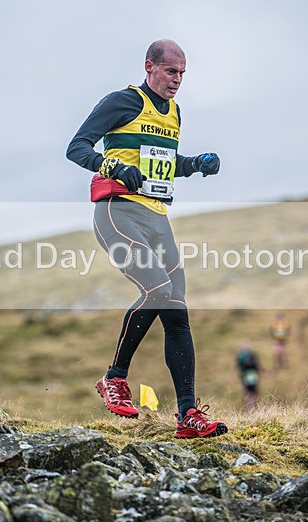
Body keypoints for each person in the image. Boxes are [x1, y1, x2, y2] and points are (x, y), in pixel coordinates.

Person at [66, 39, 227, 439]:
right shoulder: (122, 102)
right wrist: (111, 165)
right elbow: (76, 148)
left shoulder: (174, 112)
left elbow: (164, 165)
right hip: (118, 213)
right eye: (171, 71)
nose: (177, 80)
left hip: (157, 218)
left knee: (176, 308)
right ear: (149, 66)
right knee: (157, 290)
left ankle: (188, 416)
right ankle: (114, 378)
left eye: (183, 74)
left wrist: (196, 164)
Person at [236, 341, 260, 411]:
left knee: (248, 393)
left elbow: (238, 367)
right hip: (252, 375)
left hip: (246, 376)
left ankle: (249, 408)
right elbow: (257, 366)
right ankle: (253, 408)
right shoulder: (252, 354)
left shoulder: (240, 356)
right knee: (253, 392)